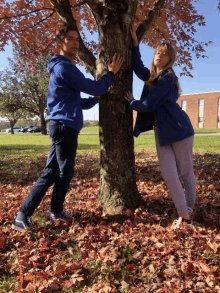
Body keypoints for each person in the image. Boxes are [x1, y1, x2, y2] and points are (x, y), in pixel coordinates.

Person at [12, 24, 123, 232]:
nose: (75, 43)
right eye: (70, 39)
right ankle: (25, 214)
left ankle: (52, 211)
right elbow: (95, 86)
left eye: (77, 40)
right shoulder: (64, 68)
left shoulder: (61, 68)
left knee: (58, 172)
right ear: (60, 42)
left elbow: (76, 100)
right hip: (64, 126)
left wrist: (96, 100)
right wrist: (110, 74)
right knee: (58, 172)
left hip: (62, 125)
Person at [124, 23, 196, 230]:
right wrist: (135, 44)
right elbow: (138, 68)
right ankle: (184, 212)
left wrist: (132, 104)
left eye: (164, 55)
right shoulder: (155, 78)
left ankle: (188, 210)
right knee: (168, 173)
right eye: (157, 53)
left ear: (170, 59)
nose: (159, 56)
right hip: (162, 132)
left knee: (185, 172)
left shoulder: (168, 77)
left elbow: (151, 103)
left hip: (180, 130)